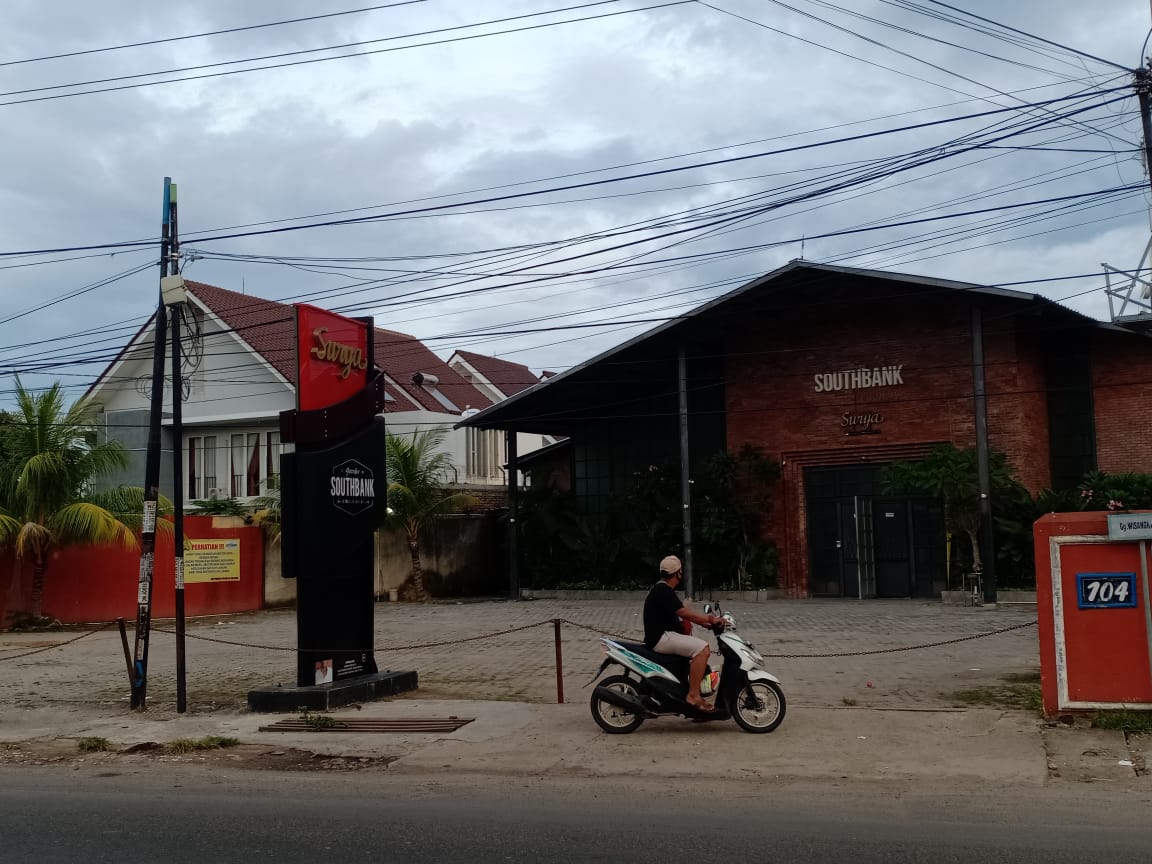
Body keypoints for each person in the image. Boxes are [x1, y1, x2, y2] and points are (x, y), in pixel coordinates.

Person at [643, 555, 722, 711]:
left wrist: (704, 623)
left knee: (694, 648)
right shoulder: (663, 590)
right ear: (678, 573)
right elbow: (685, 613)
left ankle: (690, 691)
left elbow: (681, 615)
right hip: (661, 638)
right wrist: (711, 619)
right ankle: (693, 695)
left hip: (662, 635)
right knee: (702, 649)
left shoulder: (662, 589)